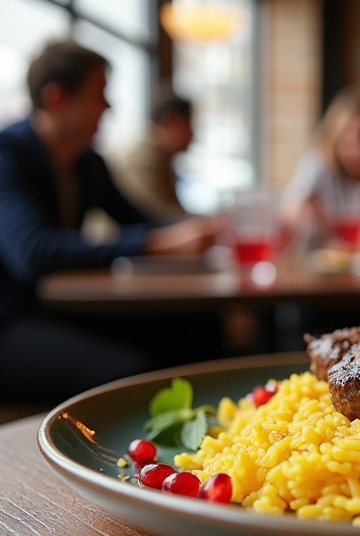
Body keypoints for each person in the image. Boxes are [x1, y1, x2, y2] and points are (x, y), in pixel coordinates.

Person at [0, 40, 221, 403]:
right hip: (10, 320)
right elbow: (33, 252)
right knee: (127, 373)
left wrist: (200, 229)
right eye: (98, 95)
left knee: (198, 325)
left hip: (55, 309)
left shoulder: (88, 164)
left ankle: (226, 431)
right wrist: (157, 243)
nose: (109, 106)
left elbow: (138, 221)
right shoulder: (7, 155)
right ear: (57, 99)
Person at [281, 90, 360, 253]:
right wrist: (303, 210)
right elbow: (288, 210)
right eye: (351, 139)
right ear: (336, 138)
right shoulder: (317, 164)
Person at [107, 86, 194, 221]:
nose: (193, 135)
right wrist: (207, 223)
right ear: (172, 123)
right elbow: (154, 215)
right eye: (190, 126)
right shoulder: (142, 157)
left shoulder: (158, 154)